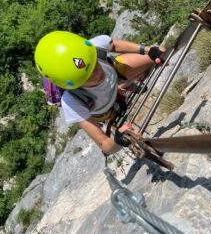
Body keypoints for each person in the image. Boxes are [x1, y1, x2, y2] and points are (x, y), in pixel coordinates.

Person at [34, 31, 165, 155]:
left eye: (94, 64)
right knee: (124, 69)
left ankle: (124, 85)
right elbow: (104, 144)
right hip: (105, 110)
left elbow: (113, 44)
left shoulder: (92, 48)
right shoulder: (71, 101)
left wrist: (147, 50)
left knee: (158, 55)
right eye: (87, 76)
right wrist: (118, 141)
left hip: (116, 76)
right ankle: (124, 85)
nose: (98, 74)